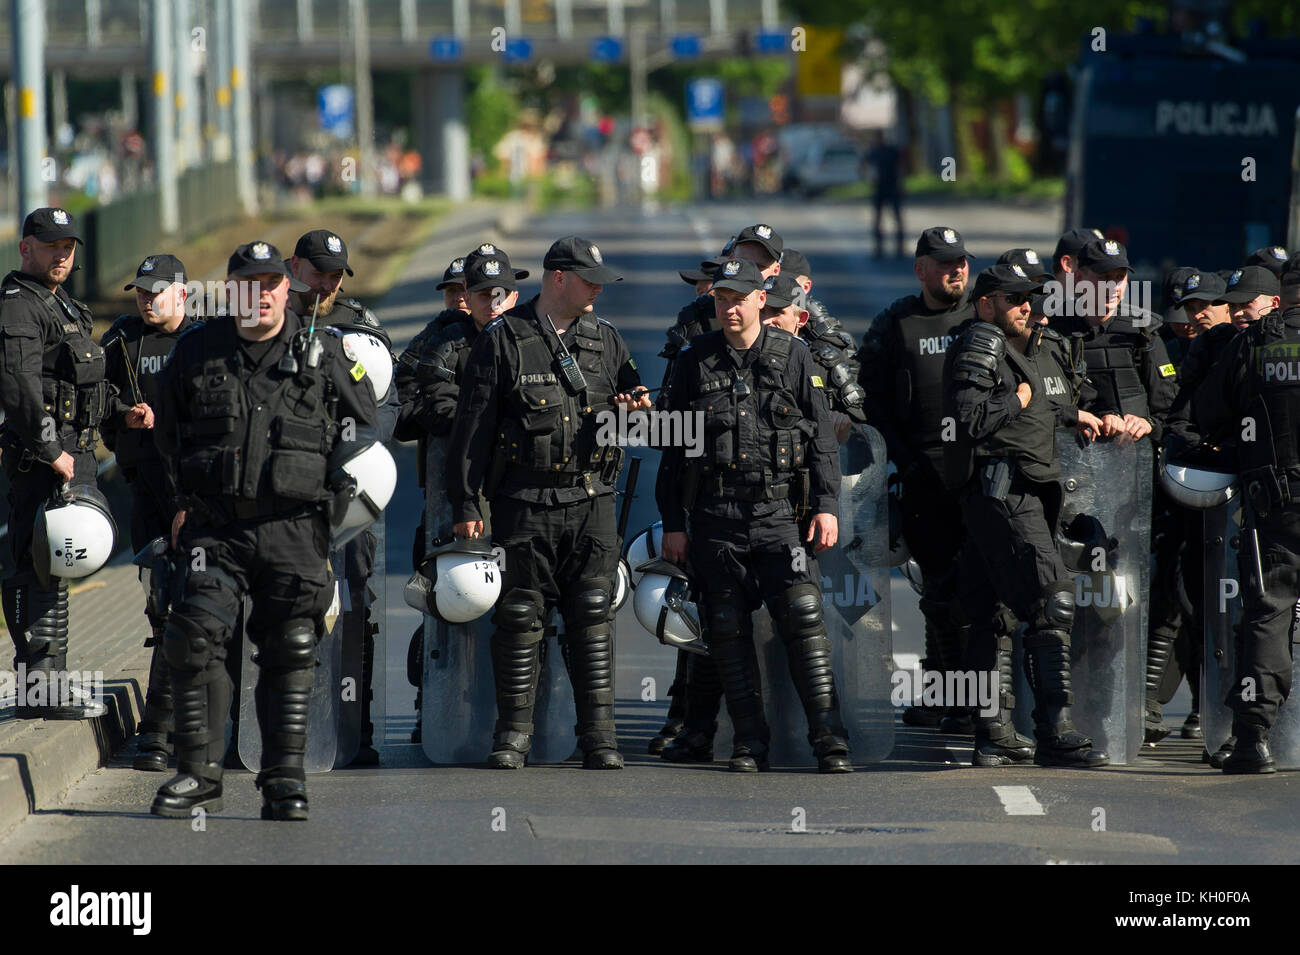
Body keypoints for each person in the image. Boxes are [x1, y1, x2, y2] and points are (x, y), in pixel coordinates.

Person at [149, 240, 379, 820]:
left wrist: (334, 501)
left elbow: (363, 427)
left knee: (291, 648)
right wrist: (181, 500)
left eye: (273, 283)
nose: (264, 294)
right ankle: (197, 773)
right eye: (250, 284)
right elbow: (167, 435)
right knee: (193, 636)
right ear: (234, 291)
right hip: (214, 529)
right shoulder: (197, 350)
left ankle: (283, 779)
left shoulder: (325, 352)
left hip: (295, 528)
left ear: (285, 287)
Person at [447, 236, 647, 770]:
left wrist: (635, 410)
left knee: (591, 617)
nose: (597, 292)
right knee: (519, 618)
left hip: (591, 499)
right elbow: (473, 430)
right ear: (557, 277)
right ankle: (513, 735)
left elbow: (638, 408)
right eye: (589, 281)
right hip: (524, 501)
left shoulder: (607, 341)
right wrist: (466, 504)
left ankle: (599, 737)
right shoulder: (503, 340)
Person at [657, 257, 850, 773]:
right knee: (726, 630)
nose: (729, 309)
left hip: (779, 515)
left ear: (762, 300)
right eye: (720, 299)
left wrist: (828, 507)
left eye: (738, 299)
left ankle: (829, 739)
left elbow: (823, 444)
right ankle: (749, 742)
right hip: (716, 517)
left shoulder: (794, 357)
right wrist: (673, 522)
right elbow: (672, 450)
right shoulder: (694, 359)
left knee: (803, 619)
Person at [944, 262, 1109, 767]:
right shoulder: (982, 342)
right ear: (985, 303)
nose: (1026, 306)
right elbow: (967, 418)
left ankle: (993, 734)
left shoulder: (1022, 346)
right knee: (1053, 599)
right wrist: (1017, 399)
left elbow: (1040, 402)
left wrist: (1071, 413)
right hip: (1005, 493)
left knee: (990, 614)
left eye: (1029, 298)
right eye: (1014, 298)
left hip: (1018, 496)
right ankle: (1053, 729)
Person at [0, 208, 145, 719]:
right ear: (26, 248)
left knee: (59, 568)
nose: (62, 254)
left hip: (74, 456)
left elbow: (84, 387)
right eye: (51, 245)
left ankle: (52, 684)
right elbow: (18, 390)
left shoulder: (66, 306)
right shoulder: (20, 305)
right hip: (43, 462)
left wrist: (124, 413)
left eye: (68, 246)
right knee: (36, 566)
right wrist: (51, 452)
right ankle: (37, 688)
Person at [394, 247, 524, 745]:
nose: (462, 303)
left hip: (508, 491)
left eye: (466, 293)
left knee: (511, 604)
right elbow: (414, 399)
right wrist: (482, 421)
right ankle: (436, 706)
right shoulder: (440, 339)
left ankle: (507, 715)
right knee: (444, 602)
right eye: (457, 292)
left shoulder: (524, 336)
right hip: (446, 497)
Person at [857, 226, 976, 729]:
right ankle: (942, 695)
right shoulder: (896, 323)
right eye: (945, 263)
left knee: (973, 592)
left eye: (961, 262)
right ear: (921, 270)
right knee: (938, 591)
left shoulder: (981, 318)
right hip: (923, 478)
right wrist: (902, 459)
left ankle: (969, 698)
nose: (956, 271)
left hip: (979, 476)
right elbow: (868, 397)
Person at [288, 228, 398, 766]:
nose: (327, 285)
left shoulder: (359, 328)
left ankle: (354, 731)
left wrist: (351, 454)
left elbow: (387, 406)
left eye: (336, 277)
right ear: (293, 267)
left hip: (350, 498)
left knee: (353, 605)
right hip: (286, 496)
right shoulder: (267, 321)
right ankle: (282, 730)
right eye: (318, 274)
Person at [1190, 258, 1300, 772]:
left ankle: (1253, 738)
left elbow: (1208, 413)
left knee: (1269, 615)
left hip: (1277, 501)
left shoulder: (1254, 343)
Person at [101, 253, 200, 768]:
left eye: (155, 291)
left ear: (182, 293)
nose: (145, 299)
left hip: (193, 494)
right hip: (145, 492)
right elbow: (97, 403)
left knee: (191, 610)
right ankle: (162, 731)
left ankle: (169, 729)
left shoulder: (203, 344)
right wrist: (125, 415)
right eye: (139, 291)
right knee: (162, 608)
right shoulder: (120, 341)